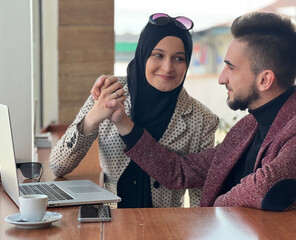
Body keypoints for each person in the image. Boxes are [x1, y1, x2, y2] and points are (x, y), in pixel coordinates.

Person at [102, 12, 296, 211]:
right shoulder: (247, 127)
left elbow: (267, 188)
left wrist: (211, 212)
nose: (222, 78)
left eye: (231, 68)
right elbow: (180, 171)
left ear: (264, 80)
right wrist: (124, 122)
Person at [49, 13, 219, 208]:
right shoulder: (110, 91)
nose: (167, 67)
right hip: (111, 225)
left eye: (179, 58)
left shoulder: (203, 119)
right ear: (143, 54)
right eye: (158, 55)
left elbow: (202, 201)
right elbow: (58, 165)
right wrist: (92, 118)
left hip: (165, 230)